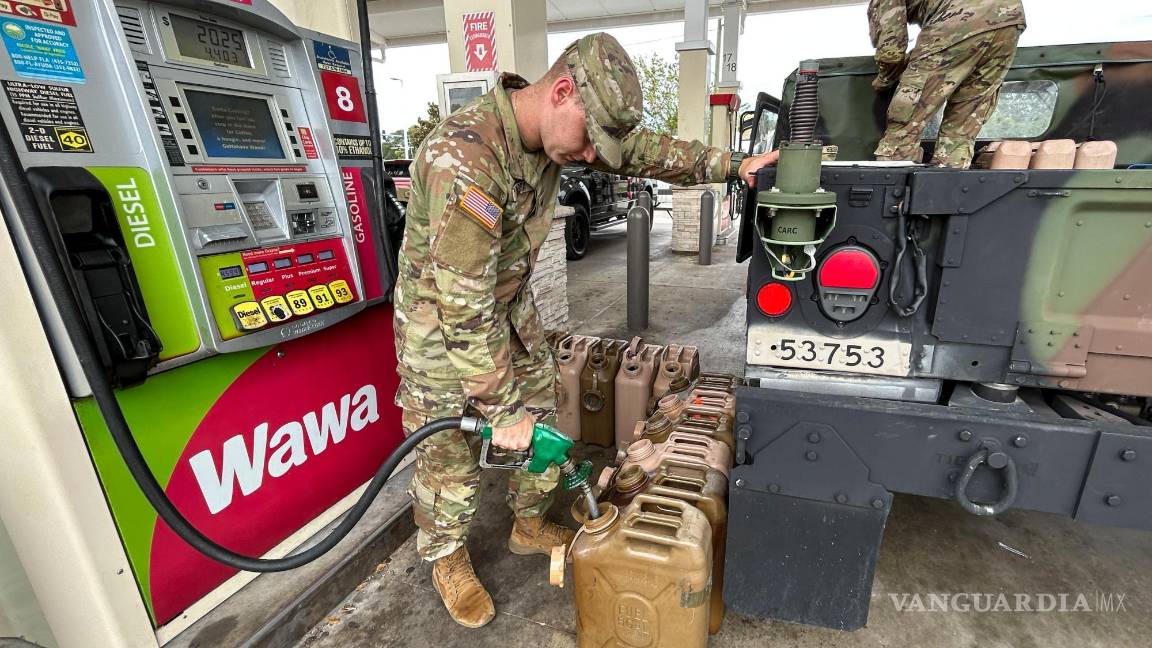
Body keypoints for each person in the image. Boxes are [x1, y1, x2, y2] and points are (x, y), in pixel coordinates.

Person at [392, 32, 778, 628]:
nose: (594, 158)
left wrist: (732, 164)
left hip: (510, 319)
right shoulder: (463, 157)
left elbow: (645, 150)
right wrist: (500, 409)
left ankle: (526, 521)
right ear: (561, 92)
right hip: (443, 332)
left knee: (544, 418)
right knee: (451, 456)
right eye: (589, 141)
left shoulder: (562, 133)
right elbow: (460, 304)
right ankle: (446, 557)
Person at [869, 0, 1026, 168]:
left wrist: (886, 79)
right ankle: (949, 184)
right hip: (1010, 18)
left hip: (958, 17)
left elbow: (890, 52)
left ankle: (892, 187)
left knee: (903, 127)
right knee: (961, 130)